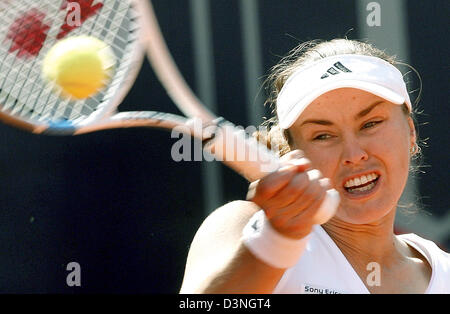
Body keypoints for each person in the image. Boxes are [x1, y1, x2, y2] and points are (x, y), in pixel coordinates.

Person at [179, 39, 450, 294]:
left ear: (410, 132)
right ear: (293, 153)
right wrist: (277, 240)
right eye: (323, 136)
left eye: (370, 124)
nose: (354, 155)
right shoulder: (243, 226)